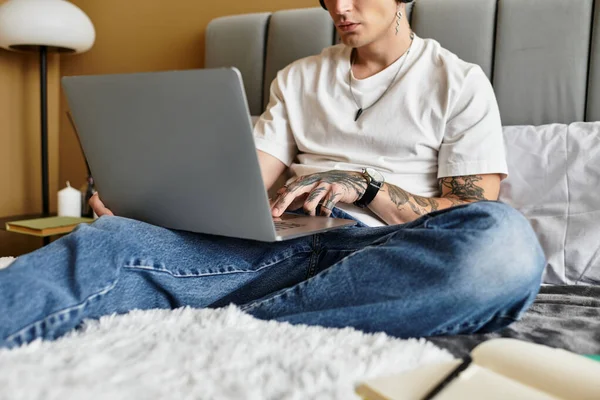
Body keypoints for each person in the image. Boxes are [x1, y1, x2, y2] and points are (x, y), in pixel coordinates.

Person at [0, 0, 545, 349]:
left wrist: (368, 186)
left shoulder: (458, 81)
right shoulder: (299, 77)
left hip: (381, 253)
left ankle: (227, 322)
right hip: (270, 245)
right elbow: (246, 180)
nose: (339, 6)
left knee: (504, 245)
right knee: (113, 240)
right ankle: (249, 312)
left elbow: (469, 211)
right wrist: (149, 200)